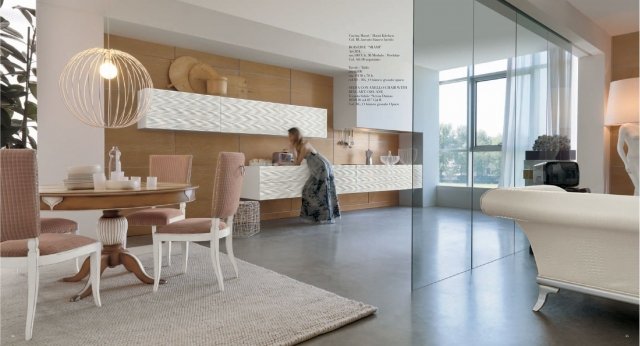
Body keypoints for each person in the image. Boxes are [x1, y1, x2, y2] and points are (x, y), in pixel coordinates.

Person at [288, 127, 340, 223]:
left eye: (290, 135)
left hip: (321, 167)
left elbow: (297, 162)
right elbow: (297, 161)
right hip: (316, 169)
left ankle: (325, 217)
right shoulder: (299, 145)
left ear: (295, 135)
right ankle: (318, 216)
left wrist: (292, 149)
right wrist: (293, 148)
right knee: (308, 191)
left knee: (321, 191)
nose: (289, 137)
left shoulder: (304, 145)